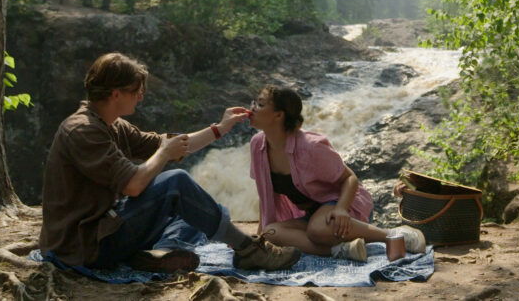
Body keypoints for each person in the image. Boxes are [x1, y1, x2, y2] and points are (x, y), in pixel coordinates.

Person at [39, 53, 301, 274]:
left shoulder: (113, 124)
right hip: (83, 245)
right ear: (116, 93)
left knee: (197, 211)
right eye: (136, 91)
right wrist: (164, 154)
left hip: (105, 228)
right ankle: (247, 250)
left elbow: (173, 144)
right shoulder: (83, 131)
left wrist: (219, 129)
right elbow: (133, 186)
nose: (140, 97)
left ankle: (155, 253)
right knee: (176, 183)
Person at [246, 85, 427, 262]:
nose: (252, 108)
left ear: (279, 115)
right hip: (312, 215)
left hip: (344, 207)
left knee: (317, 230)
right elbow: (265, 194)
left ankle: (394, 235)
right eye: (254, 102)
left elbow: (350, 178)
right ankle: (341, 250)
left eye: (260, 104)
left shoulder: (311, 146)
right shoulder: (257, 145)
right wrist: (259, 238)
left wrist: (341, 208)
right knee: (271, 233)